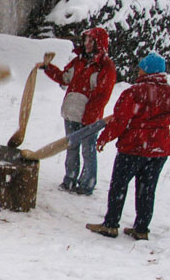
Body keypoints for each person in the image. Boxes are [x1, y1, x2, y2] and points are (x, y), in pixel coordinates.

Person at [86, 52, 170, 240]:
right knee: (147, 189)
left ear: (147, 70)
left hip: (134, 146)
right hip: (159, 149)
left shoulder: (135, 92)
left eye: (141, 67)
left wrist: (105, 137)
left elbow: (121, 120)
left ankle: (111, 224)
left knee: (119, 185)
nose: (138, 70)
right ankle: (141, 228)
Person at [40, 27, 116, 195]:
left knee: (88, 151)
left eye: (91, 41)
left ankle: (87, 184)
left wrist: (90, 115)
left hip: (89, 117)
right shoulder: (78, 61)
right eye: (86, 40)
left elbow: (103, 94)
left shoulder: (106, 67)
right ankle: (70, 179)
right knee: (71, 147)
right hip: (71, 112)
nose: (87, 44)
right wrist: (48, 67)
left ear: (99, 43)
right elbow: (64, 78)